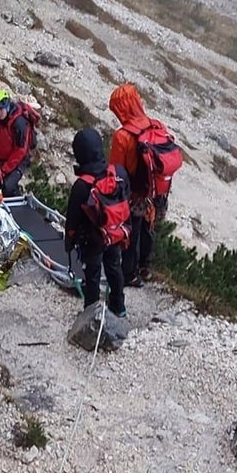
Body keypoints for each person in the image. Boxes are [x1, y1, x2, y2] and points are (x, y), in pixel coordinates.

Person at [64, 128, 128, 315]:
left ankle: (91, 312)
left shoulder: (82, 185)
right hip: (114, 233)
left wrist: (69, 240)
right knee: (114, 268)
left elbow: (73, 219)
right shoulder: (118, 173)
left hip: (91, 239)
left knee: (92, 275)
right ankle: (118, 306)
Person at [108, 82, 164, 286]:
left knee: (132, 231)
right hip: (157, 190)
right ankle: (145, 268)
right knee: (149, 228)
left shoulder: (122, 136)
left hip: (134, 192)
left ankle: (130, 275)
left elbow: (115, 171)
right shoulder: (156, 125)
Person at [0, 90, 35, 198]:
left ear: (7, 106)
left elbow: (20, 151)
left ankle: (17, 205)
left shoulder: (19, 123)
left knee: (7, 187)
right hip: (3, 158)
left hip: (19, 160)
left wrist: (4, 170)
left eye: (0, 109)